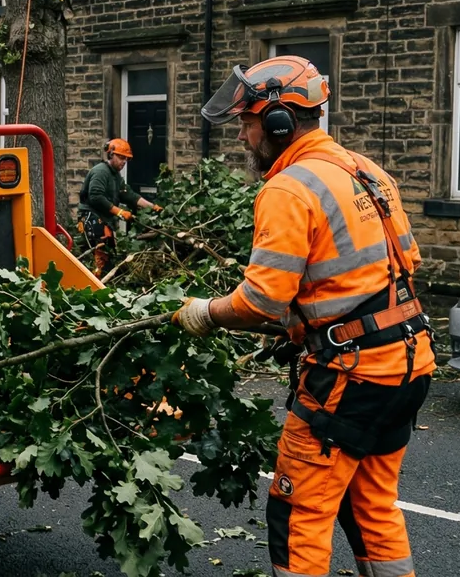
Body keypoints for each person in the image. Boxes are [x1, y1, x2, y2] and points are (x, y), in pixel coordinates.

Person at [176, 55, 432, 577]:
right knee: (372, 506)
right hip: (409, 362)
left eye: (248, 124)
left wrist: (205, 313)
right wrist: (306, 320)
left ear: (278, 122)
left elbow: (259, 301)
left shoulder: (289, 188)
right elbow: (397, 268)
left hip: (351, 375)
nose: (245, 138)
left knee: (299, 512)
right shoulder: (368, 172)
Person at [76, 138, 160, 275]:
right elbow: (96, 197)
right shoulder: (101, 172)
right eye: (121, 157)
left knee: (108, 258)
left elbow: (129, 195)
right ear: (111, 154)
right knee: (99, 260)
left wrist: (152, 206)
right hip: (92, 219)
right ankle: (96, 287)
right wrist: (119, 212)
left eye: (126, 159)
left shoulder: (115, 176)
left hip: (104, 221)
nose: (124, 162)